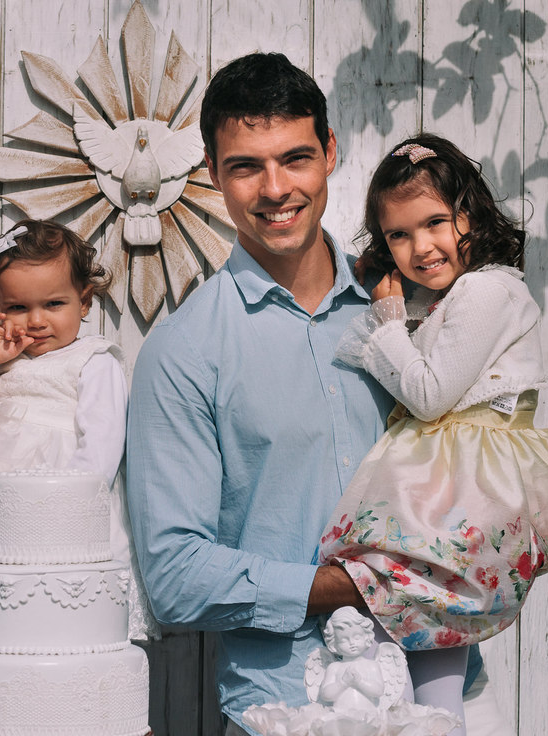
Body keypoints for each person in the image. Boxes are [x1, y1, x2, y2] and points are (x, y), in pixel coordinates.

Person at [125, 52, 395, 735]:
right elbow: (177, 576)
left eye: (295, 158)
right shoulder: (183, 353)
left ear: (330, 153)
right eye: (246, 166)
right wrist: (346, 586)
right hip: (283, 708)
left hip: (443, 684)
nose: (275, 188)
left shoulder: (403, 310)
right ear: (214, 175)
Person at [318, 133, 548, 733]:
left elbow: (431, 396)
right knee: (425, 635)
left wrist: (386, 326)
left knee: (431, 618)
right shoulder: (447, 295)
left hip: (470, 479)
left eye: (436, 222)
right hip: (452, 475)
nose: (421, 246)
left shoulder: (488, 289)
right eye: (399, 235)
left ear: (472, 214)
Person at [0, 218, 157, 641]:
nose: (36, 321)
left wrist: (64, 507)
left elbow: (101, 449)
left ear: (85, 301)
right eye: (18, 308)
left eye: (53, 304)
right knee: (2, 608)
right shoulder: (2, 362)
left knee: (61, 606)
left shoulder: (95, 361)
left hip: (62, 501)